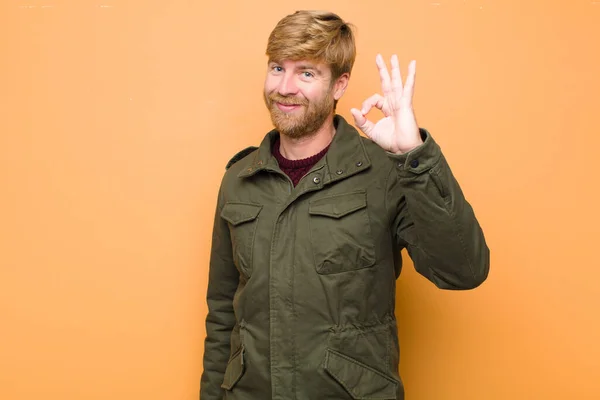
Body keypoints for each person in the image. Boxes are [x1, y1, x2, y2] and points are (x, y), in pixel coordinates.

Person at [200, 9, 490, 400]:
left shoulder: (386, 172)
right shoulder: (239, 180)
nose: (285, 87)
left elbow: (464, 270)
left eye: (306, 73)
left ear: (340, 85)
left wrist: (413, 156)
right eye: (276, 68)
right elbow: (222, 313)